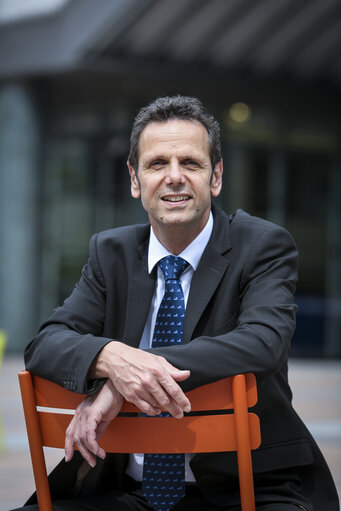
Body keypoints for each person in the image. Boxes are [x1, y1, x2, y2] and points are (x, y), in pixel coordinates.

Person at [14, 96, 338, 511]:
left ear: (215, 177)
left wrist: (127, 382)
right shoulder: (109, 252)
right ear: (134, 180)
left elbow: (263, 342)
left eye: (190, 163)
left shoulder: (262, 245)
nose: (174, 177)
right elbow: (45, 344)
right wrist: (113, 359)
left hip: (248, 492)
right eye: (156, 164)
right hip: (125, 492)